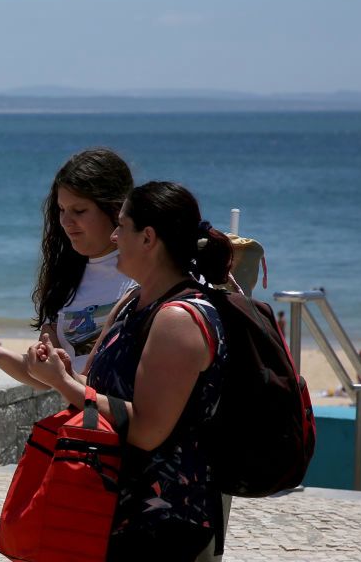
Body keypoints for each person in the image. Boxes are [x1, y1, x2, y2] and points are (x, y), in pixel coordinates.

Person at [26, 181, 234, 561]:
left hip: (165, 524)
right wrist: (57, 373)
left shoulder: (180, 319)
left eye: (122, 226)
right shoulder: (131, 302)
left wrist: (65, 386)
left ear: (148, 238)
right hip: (111, 510)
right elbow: (102, 389)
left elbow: (147, 430)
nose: (114, 235)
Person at [0, 148, 134, 384]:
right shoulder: (65, 279)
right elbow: (43, 378)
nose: (66, 222)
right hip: (81, 417)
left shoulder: (145, 276)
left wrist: (66, 381)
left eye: (79, 211)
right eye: (62, 210)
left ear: (116, 209)